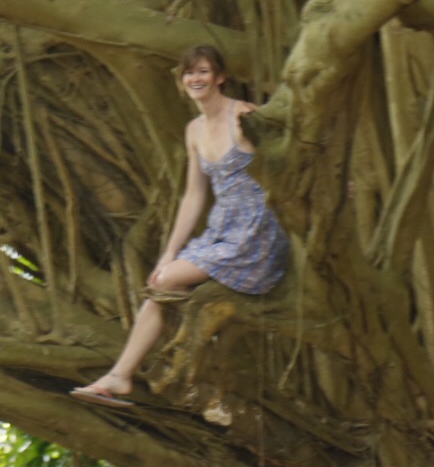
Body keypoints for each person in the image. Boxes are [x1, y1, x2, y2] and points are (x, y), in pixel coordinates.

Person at [71, 44, 288, 408]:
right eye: (189, 73)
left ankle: (125, 375)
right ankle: (121, 376)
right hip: (222, 231)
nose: (196, 79)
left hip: (257, 232)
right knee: (160, 280)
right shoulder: (193, 131)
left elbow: (287, 162)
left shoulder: (245, 116)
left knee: (169, 281)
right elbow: (193, 195)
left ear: (220, 77)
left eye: (204, 71)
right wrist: (169, 253)